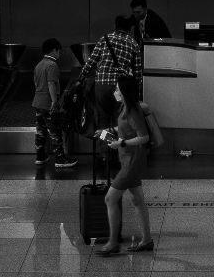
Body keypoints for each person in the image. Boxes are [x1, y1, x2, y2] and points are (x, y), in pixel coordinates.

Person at [92, 76, 157, 256]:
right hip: (129, 160)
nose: (114, 92)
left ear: (125, 92)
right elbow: (124, 128)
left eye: (117, 89)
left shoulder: (132, 110)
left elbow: (143, 137)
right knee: (137, 200)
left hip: (132, 162)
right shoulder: (125, 108)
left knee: (110, 199)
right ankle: (146, 240)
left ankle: (113, 243)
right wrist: (108, 132)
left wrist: (122, 144)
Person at [78, 15, 143, 136]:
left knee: (102, 121)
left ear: (115, 26)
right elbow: (138, 74)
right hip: (120, 90)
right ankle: (117, 151)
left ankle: (105, 153)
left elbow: (91, 62)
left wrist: (81, 77)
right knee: (118, 120)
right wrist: (136, 93)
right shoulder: (133, 44)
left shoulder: (104, 39)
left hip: (102, 86)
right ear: (129, 29)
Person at [32, 39, 77, 170]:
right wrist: (54, 101)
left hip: (37, 101)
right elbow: (51, 83)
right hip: (47, 103)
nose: (59, 54)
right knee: (54, 131)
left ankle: (40, 156)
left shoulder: (39, 65)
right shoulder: (52, 65)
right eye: (59, 51)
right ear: (54, 50)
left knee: (40, 130)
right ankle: (60, 159)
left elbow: (36, 83)